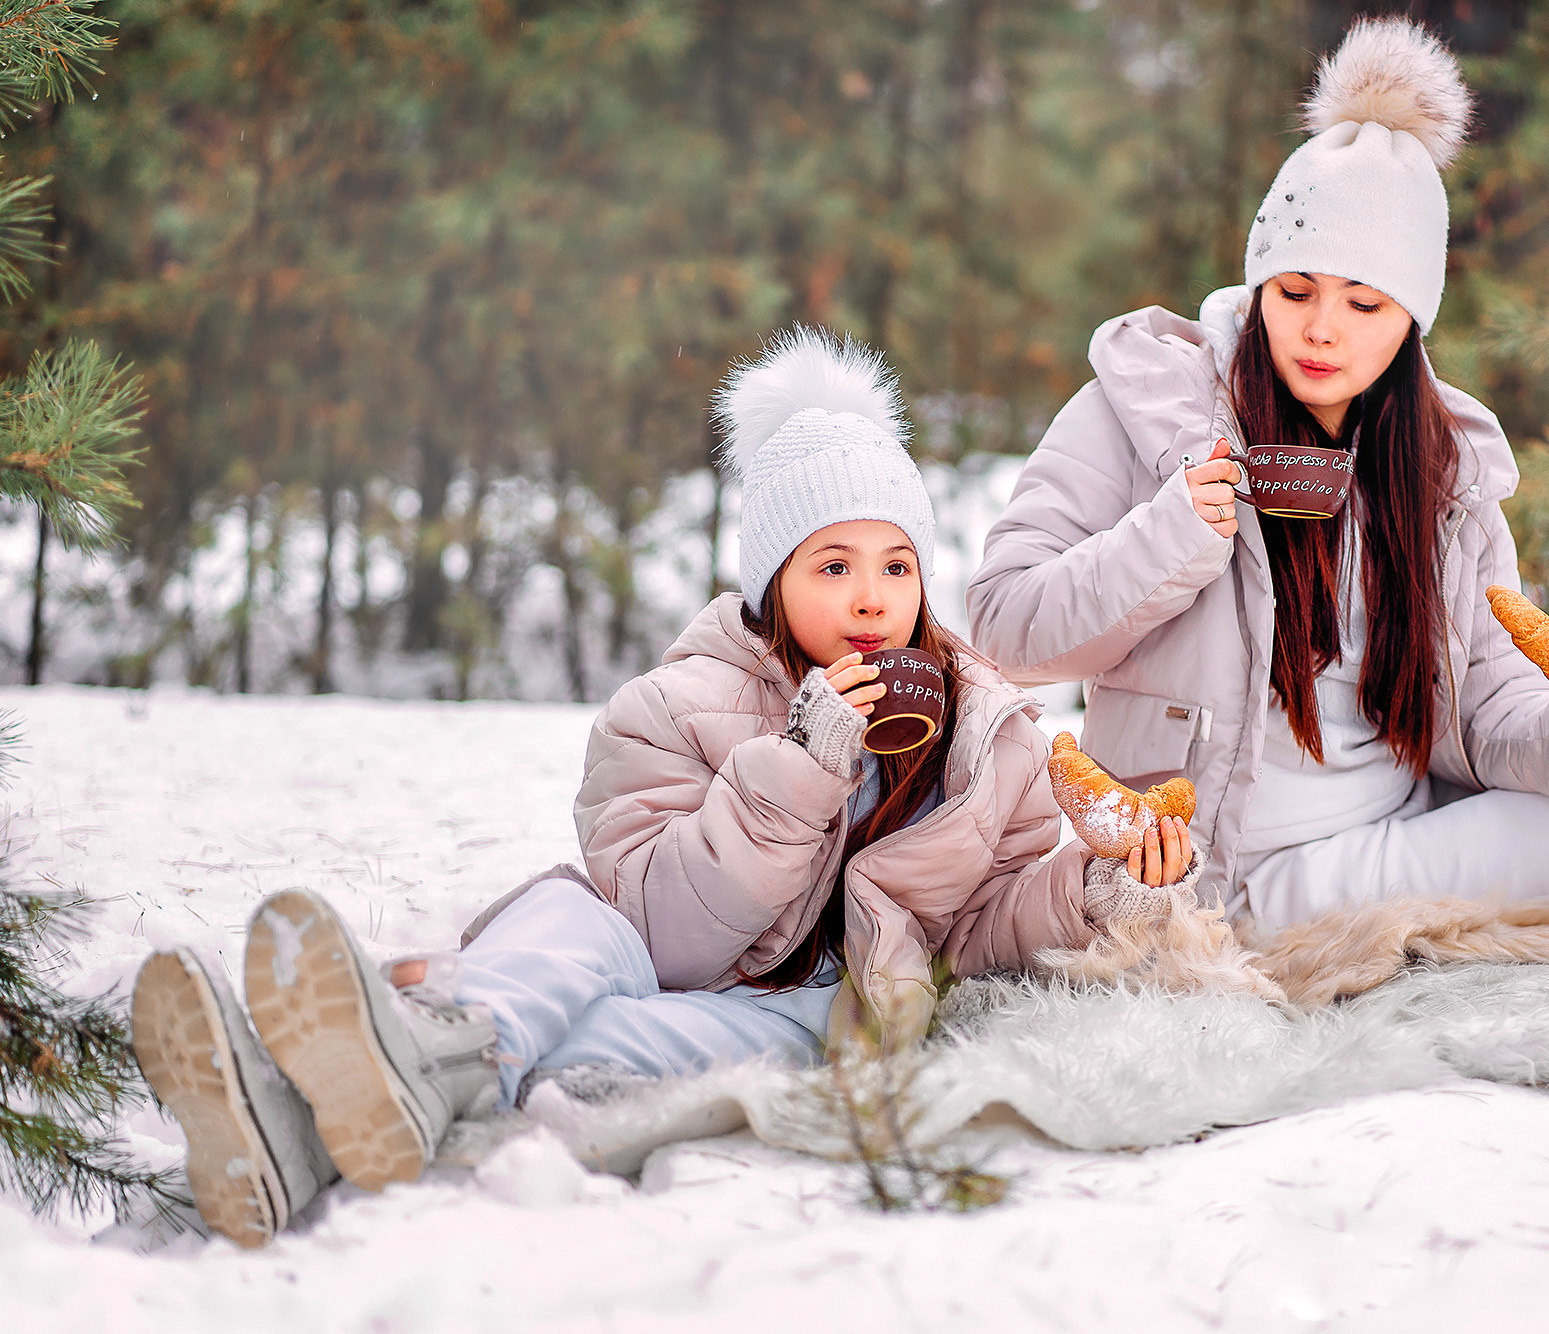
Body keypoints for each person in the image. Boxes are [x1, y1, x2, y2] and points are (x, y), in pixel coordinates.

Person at [129, 328, 1199, 1248]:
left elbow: (974, 927)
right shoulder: (669, 704)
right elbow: (662, 928)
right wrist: (802, 765)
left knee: (593, 1052)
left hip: (810, 1008)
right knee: (567, 918)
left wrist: (1091, 890)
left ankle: (310, 1112)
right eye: (831, 565)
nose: (871, 598)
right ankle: (417, 1056)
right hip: (657, 946)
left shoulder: (986, 738)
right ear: (770, 581)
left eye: (896, 564)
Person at [965, 17, 1549, 937]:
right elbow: (1004, 626)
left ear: (1412, 316)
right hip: (1243, 866)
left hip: (1406, 806)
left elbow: (1488, 688)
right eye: (1294, 291)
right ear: (1259, 283)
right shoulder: (1148, 410)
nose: (1321, 329)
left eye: (1364, 301)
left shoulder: (1437, 466)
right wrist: (1168, 539)